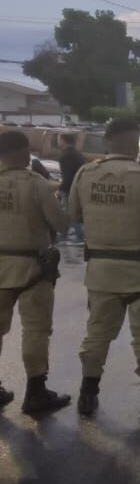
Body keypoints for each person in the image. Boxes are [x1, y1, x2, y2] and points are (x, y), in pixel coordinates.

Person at [70, 118, 140, 418]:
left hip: (101, 268)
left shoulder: (86, 173)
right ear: (135, 144)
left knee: (97, 332)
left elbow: (73, 214)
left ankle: (87, 393)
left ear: (106, 141)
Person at [0, 131, 72, 414]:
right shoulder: (35, 184)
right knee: (36, 330)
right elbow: (62, 223)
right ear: (19, 152)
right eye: (27, 150)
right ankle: (36, 392)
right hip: (32, 267)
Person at [58, 133, 86, 242]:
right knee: (72, 213)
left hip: (69, 189)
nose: (58, 141)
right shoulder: (78, 153)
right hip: (78, 187)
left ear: (63, 140)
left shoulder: (66, 155)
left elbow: (68, 175)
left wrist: (62, 188)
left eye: (59, 139)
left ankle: (77, 236)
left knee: (68, 213)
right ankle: (68, 235)